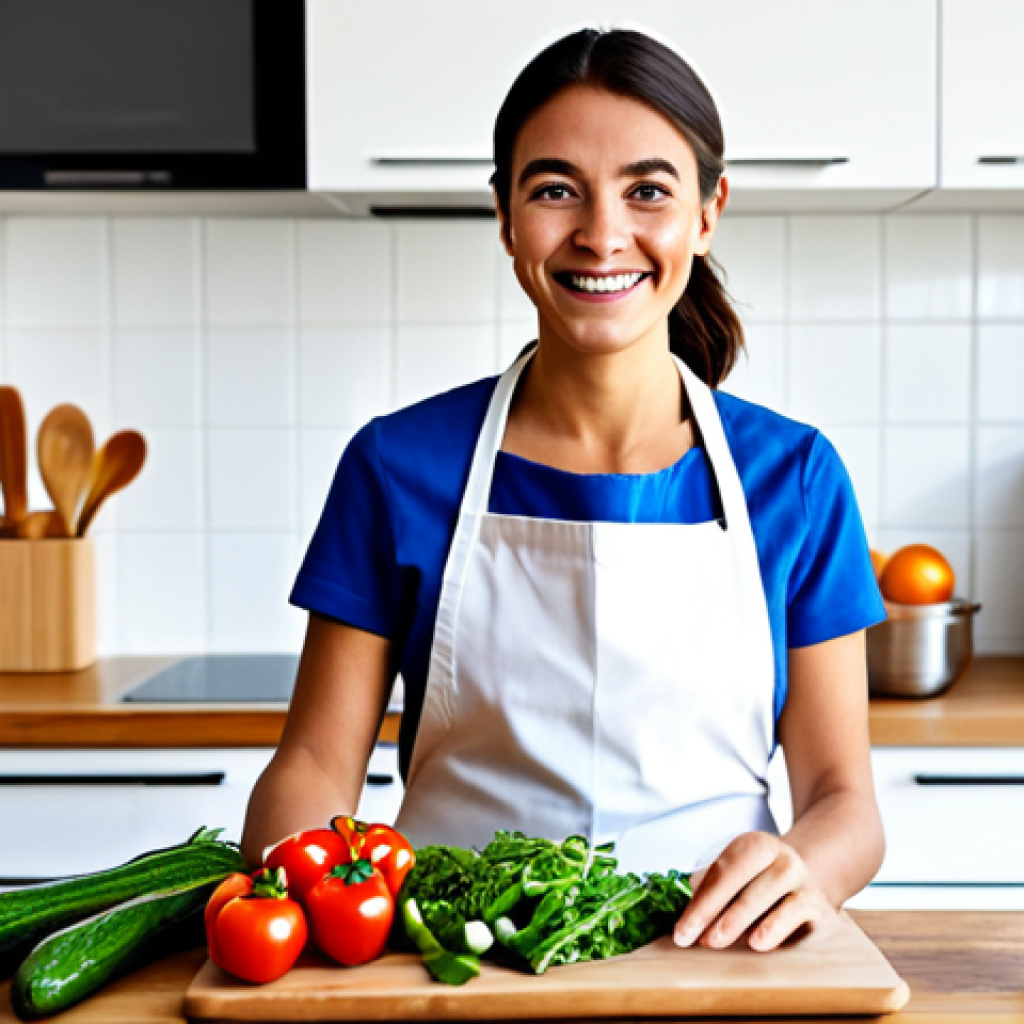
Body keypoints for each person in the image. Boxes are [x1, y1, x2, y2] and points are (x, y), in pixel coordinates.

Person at [242, 27, 886, 953]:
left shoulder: (796, 477)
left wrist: (805, 869)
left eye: (648, 191)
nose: (600, 234)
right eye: (554, 190)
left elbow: (844, 803)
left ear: (708, 213)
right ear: (506, 214)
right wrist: (310, 883)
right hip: (452, 961)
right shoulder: (397, 465)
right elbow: (311, 764)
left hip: (710, 960)